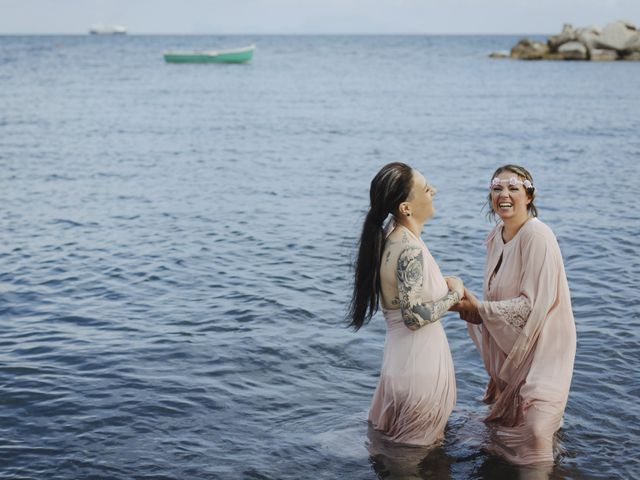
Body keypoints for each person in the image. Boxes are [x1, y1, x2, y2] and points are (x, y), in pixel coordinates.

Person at [453, 164, 577, 466]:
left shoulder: (538, 235)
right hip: (513, 345)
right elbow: (499, 296)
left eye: (513, 188)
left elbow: (530, 306)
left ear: (529, 196)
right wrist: (471, 306)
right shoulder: (496, 235)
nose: (503, 195)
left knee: (536, 432)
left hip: (545, 346)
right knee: (508, 427)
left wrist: (479, 308)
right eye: (497, 188)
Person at [348, 162, 463, 446]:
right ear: (406, 208)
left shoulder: (389, 235)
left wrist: (438, 280)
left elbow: (405, 292)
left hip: (399, 364)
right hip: (418, 370)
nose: (433, 190)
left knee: (401, 458)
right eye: (425, 188)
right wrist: (454, 295)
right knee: (411, 462)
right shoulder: (409, 249)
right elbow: (413, 317)